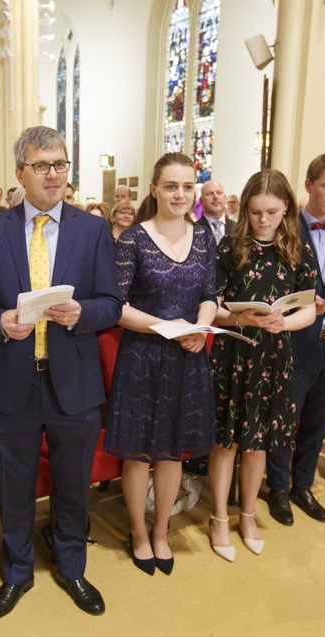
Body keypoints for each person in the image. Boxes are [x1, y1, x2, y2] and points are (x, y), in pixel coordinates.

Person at [0, 126, 122, 618]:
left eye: (60, 165)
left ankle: (72, 567)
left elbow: (112, 304)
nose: (53, 174)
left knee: (73, 480)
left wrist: (85, 315)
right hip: (13, 376)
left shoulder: (91, 230)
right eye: (42, 166)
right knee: (14, 481)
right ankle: (16, 572)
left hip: (73, 379)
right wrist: (0, 321)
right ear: (20, 173)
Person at [104, 153, 216, 576]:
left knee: (172, 454)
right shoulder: (132, 239)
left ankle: (160, 530)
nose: (180, 195)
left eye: (188, 187)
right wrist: (167, 327)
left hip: (187, 356)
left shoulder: (203, 237)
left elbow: (210, 294)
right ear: (154, 189)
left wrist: (200, 328)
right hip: (143, 357)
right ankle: (137, 530)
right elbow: (118, 306)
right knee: (138, 454)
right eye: (171, 186)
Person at [205, 170, 316, 559]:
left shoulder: (298, 248)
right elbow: (212, 306)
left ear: (287, 207)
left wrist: (283, 321)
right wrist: (241, 317)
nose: (263, 220)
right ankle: (219, 517)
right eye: (254, 212)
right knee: (228, 442)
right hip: (235, 352)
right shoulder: (228, 247)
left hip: (274, 356)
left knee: (259, 442)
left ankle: (248, 514)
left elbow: (309, 308)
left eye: (271, 211)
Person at [265, 151, 325, 527]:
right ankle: (277, 488)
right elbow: (271, 286)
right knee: (284, 422)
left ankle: (302, 485)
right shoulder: (285, 227)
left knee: (318, 423)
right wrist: (302, 304)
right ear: (308, 185)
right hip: (294, 342)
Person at [195, 179, 234, 246]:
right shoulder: (193, 229)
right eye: (210, 193)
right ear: (201, 201)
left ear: (225, 198)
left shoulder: (238, 228)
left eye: (219, 193)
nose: (215, 197)